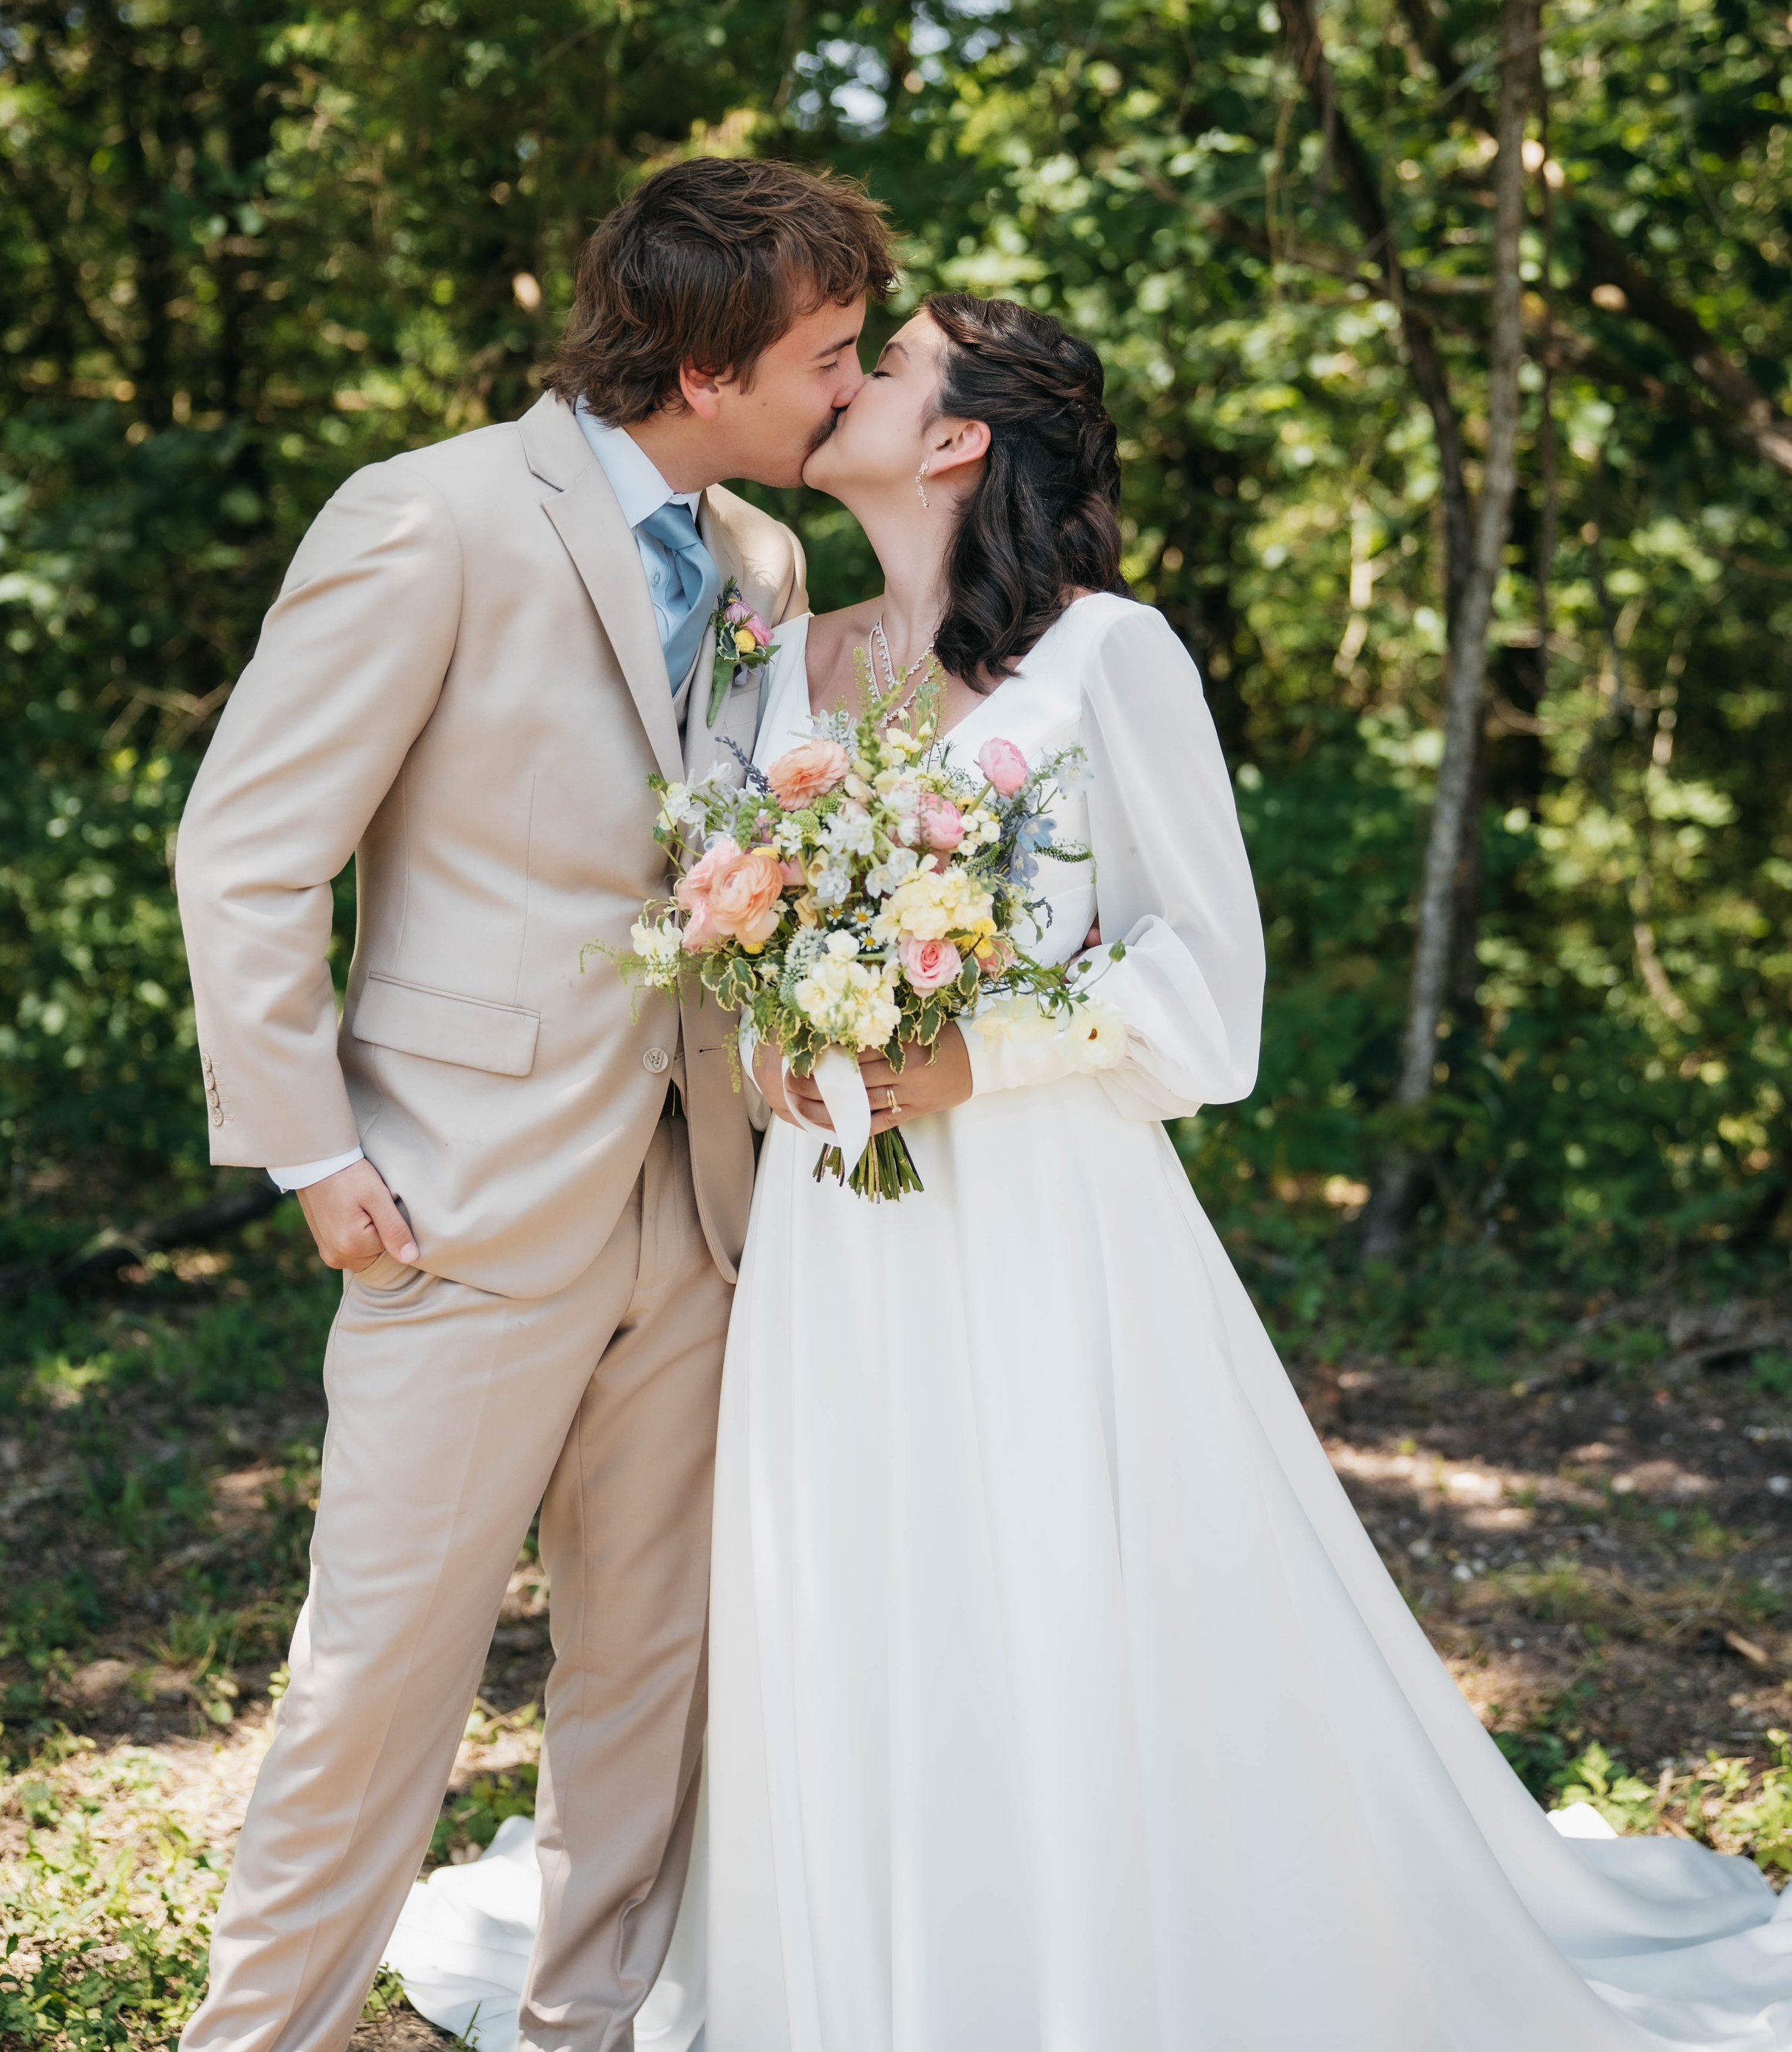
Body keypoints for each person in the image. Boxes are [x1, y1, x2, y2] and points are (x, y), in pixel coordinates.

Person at [391, 293, 1792, 2050]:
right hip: (831, 1233)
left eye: (878, 363)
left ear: (961, 434)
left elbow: (1210, 996)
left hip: (1045, 1223)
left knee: (1054, 1592)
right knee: (847, 1598)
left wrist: (974, 1051)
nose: (840, 381)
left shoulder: (1107, 658)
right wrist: (767, 1031)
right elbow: (704, 930)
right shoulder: (773, 655)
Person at [172, 155, 897, 2052]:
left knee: (650, 1666)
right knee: (380, 1669)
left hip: (704, 1194)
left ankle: (581, 2028)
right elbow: (248, 851)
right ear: (701, 355)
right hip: (458, 1192)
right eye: (826, 350)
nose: (849, 383)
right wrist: (314, 1149)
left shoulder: (762, 563)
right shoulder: (428, 517)